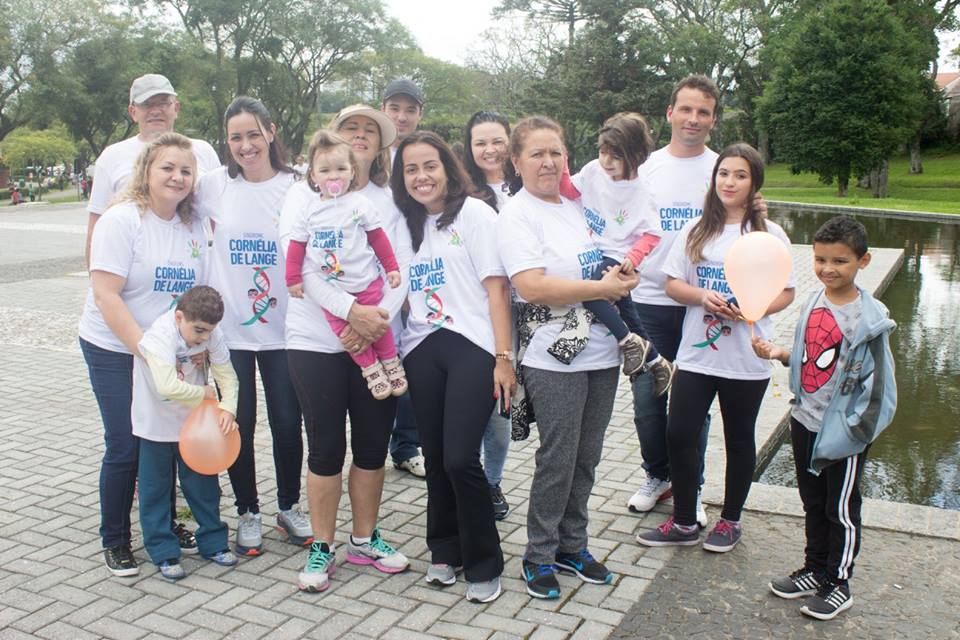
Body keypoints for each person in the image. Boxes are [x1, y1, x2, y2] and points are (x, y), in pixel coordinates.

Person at [497, 116, 639, 599]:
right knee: (558, 458)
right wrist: (601, 289)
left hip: (600, 352)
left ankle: (572, 546)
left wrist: (623, 276)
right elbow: (532, 285)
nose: (548, 162)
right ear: (517, 161)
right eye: (536, 153)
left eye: (555, 152)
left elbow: (604, 260)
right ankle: (538, 554)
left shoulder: (578, 208)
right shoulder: (517, 214)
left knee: (587, 456)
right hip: (552, 356)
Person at [637, 142, 795, 552]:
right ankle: (684, 522)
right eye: (724, 173)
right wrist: (702, 297)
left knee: (739, 439)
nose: (730, 182)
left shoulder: (769, 235)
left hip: (747, 357)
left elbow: (788, 292)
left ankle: (731, 520)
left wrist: (753, 307)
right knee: (679, 433)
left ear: (754, 183)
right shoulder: (696, 230)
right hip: (696, 355)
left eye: (741, 175)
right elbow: (673, 284)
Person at [279, 104, 412, 593]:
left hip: (377, 330)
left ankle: (363, 538)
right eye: (350, 128)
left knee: (373, 445)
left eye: (368, 131)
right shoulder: (302, 196)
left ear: (377, 146)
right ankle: (323, 545)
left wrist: (375, 322)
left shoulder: (385, 200)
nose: (359, 136)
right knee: (326, 447)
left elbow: (400, 266)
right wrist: (351, 312)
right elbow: (299, 266)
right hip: (315, 341)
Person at [753, 216, 896, 621]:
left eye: (839, 261)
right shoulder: (815, 300)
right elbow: (814, 356)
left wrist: (854, 433)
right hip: (805, 420)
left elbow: (880, 391)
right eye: (820, 260)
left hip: (841, 433)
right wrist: (780, 354)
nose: (827, 269)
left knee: (841, 509)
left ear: (863, 261)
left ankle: (838, 583)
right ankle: (815, 568)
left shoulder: (871, 320)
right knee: (813, 502)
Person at [79, 132, 208, 576]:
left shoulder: (193, 225)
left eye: (186, 170)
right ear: (146, 171)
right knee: (126, 444)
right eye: (167, 167)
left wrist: (196, 350)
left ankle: (165, 524)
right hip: (114, 346)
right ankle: (115, 538)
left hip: (165, 353)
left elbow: (197, 296)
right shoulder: (122, 220)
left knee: (164, 440)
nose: (177, 176)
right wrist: (148, 352)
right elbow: (106, 295)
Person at [392, 131, 512, 603]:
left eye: (430, 166)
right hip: (422, 346)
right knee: (437, 457)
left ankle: (485, 561)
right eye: (411, 169)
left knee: (461, 458)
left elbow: (498, 290)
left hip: (473, 344)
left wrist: (504, 358)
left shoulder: (476, 214)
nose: (421, 177)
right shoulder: (404, 224)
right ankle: (445, 549)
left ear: (447, 167)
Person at [193, 96, 309, 557]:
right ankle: (247, 511)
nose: (246, 145)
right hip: (230, 334)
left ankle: (289, 506)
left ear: (271, 131)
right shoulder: (213, 185)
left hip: (285, 330)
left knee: (288, 422)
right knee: (238, 422)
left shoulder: (297, 185)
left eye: (253, 134)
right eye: (236, 137)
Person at [627, 75, 742, 526]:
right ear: (670, 113)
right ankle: (657, 475)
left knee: (694, 405)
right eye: (687, 109)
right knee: (647, 400)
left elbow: (745, 225)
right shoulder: (646, 168)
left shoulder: (723, 169)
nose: (694, 119)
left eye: (704, 112)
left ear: (713, 120)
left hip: (702, 304)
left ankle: (689, 486)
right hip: (648, 300)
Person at [285, 129, 407, 400]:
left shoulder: (361, 204)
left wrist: (391, 268)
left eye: (340, 169)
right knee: (344, 333)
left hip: (366, 281)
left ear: (352, 171)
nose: (333, 176)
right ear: (313, 176)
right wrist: (293, 278)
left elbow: (378, 238)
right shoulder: (308, 210)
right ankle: (371, 370)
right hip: (332, 290)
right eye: (325, 171)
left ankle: (390, 362)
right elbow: (296, 247)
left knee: (379, 326)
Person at [560, 112, 675, 389]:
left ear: (635, 156)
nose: (606, 162)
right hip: (591, 250)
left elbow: (652, 233)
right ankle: (658, 363)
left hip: (618, 255)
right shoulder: (592, 171)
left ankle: (627, 342)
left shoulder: (642, 191)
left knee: (590, 293)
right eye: (603, 152)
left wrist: (632, 259)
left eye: (616, 156)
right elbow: (569, 190)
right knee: (628, 312)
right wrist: (562, 159)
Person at [133, 286, 240, 580]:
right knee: (156, 489)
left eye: (209, 331)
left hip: (195, 425)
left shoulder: (210, 333)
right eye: (199, 330)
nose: (204, 337)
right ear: (179, 317)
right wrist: (205, 393)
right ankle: (163, 551)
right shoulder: (159, 335)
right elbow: (167, 386)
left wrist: (228, 409)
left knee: (204, 486)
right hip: (155, 424)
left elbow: (228, 376)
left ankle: (214, 543)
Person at [86, 74, 220, 266]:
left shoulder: (203, 151)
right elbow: (96, 227)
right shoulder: (111, 157)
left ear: (176, 108)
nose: (156, 111)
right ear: (133, 112)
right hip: (136, 270)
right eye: (147, 104)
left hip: (192, 265)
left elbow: (219, 218)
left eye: (164, 103)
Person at [462, 109, 514, 519]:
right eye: (480, 142)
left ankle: (492, 482)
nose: (490, 150)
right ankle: (472, 481)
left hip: (524, 312)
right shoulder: (460, 192)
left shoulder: (526, 186)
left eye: (497, 141)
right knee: (474, 406)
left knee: (502, 409)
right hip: (476, 311)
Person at [381, 78, 424, 166]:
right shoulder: (369, 155)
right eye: (394, 109)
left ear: (420, 114)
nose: (401, 118)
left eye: (410, 111)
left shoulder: (430, 157)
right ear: (383, 110)